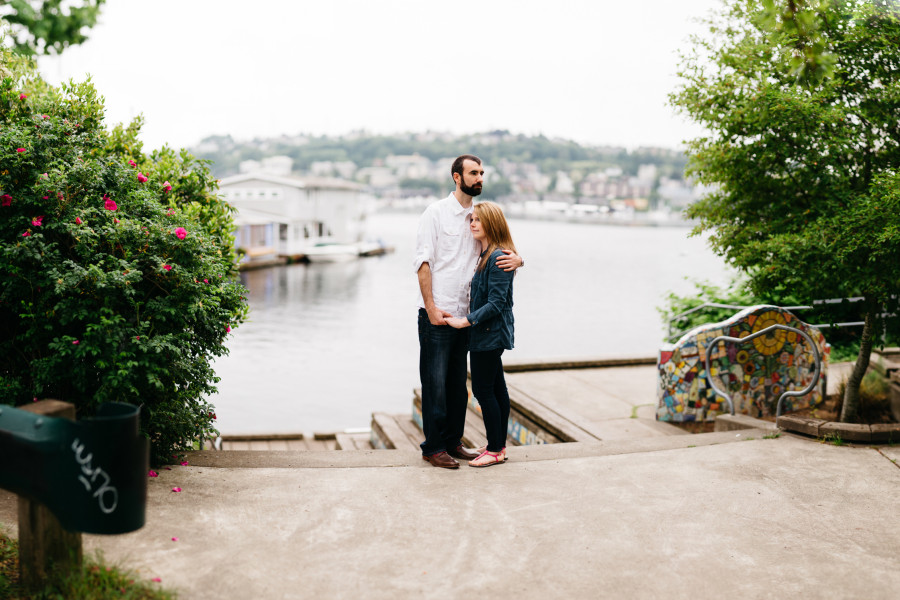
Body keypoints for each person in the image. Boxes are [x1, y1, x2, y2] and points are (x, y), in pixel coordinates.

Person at [414, 155, 523, 469]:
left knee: (458, 388)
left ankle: (453, 442)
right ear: (456, 177)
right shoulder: (435, 213)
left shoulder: (478, 216)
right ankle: (433, 447)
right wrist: (432, 309)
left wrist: (520, 260)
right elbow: (422, 264)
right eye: (474, 173)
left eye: (482, 173)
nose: (480, 178)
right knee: (434, 384)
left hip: (469, 319)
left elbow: (499, 247)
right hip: (439, 315)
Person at [445, 201, 515, 467]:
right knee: (497, 389)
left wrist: (466, 321)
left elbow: (497, 302)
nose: (472, 223)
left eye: (478, 219)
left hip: (488, 334)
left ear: (492, 224)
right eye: (471, 219)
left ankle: (495, 449)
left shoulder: (497, 257)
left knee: (484, 391)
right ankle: (498, 445)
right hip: (488, 334)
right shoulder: (489, 254)